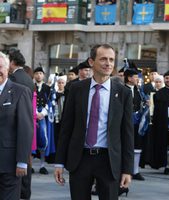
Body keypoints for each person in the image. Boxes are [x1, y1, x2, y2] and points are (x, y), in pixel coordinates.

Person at [54, 44, 134, 200]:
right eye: (103, 59)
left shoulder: (123, 93)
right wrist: (59, 163)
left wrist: (127, 169)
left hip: (109, 160)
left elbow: (128, 133)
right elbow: (66, 128)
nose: (108, 63)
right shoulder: (77, 89)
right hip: (80, 159)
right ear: (91, 62)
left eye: (111, 60)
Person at [0, 51, 33, 200]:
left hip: (9, 164)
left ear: (8, 69)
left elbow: (25, 129)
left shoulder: (20, 92)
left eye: (0, 67)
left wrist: (22, 162)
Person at [151, 71, 169, 174]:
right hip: (164, 124)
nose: (168, 80)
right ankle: (167, 166)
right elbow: (158, 110)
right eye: (167, 78)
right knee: (166, 146)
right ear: (164, 79)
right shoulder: (159, 93)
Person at [124, 68, 145, 181]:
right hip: (125, 123)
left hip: (137, 123)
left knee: (137, 146)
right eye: (135, 77)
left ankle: (135, 171)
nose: (137, 79)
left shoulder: (138, 91)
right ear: (129, 78)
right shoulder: (122, 89)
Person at [34, 66, 51, 175]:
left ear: (43, 75)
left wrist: (42, 113)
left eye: (40, 73)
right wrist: (35, 113)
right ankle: (30, 164)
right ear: (34, 75)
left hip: (43, 115)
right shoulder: (31, 86)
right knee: (31, 138)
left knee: (43, 138)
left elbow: (50, 102)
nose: (39, 75)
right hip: (32, 114)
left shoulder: (48, 88)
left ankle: (42, 165)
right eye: (37, 73)